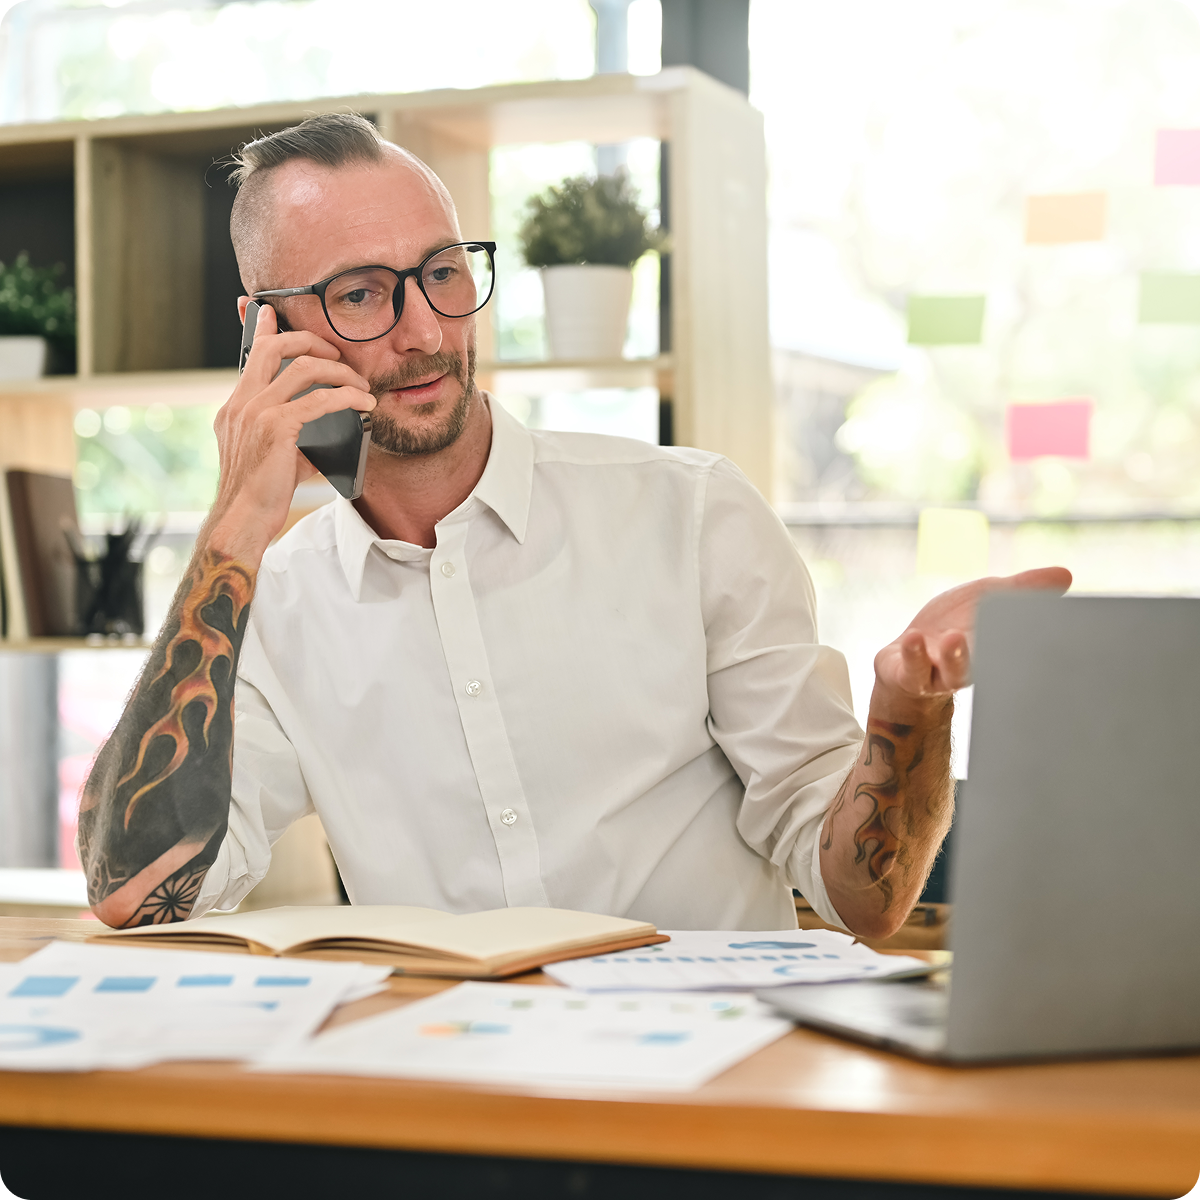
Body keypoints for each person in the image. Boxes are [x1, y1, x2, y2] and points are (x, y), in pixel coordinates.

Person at [78, 114, 1069, 935]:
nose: (426, 330)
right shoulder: (277, 598)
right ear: (268, 330)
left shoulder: (689, 517)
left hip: (718, 1100)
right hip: (457, 1111)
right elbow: (137, 893)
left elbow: (865, 900)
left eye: (444, 271)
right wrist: (237, 525)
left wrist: (909, 711)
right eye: (362, 294)